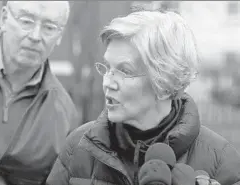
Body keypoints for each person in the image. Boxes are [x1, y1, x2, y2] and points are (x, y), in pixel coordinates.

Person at [46, 10, 240, 185]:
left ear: (164, 83)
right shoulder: (78, 146)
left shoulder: (221, 161)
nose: (107, 82)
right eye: (108, 68)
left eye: (124, 71)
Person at [0, 1, 78, 185]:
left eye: (49, 27)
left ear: (60, 36)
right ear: (4, 18)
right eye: (26, 21)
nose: (35, 36)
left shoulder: (63, 116)